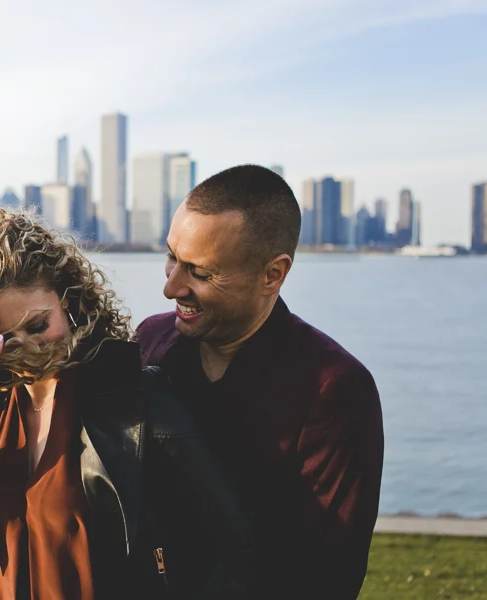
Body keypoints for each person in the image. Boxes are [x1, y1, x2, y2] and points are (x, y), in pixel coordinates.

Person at [0, 209, 252, 599]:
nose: (31, 346)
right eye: (4, 338)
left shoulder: (135, 403)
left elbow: (233, 550)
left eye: (38, 325)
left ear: (67, 298)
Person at [135, 165, 385, 600]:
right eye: (172, 256)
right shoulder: (149, 341)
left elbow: (325, 579)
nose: (172, 287)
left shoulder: (334, 391)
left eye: (200, 272)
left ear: (273, 274)